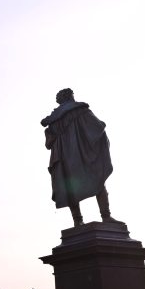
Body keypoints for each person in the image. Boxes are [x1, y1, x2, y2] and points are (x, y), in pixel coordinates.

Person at [41, 88, 118, 227]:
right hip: (82, 153)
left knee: (69, 187)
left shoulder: (52, 120)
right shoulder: (81, 110)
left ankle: (77, 220)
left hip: (64, 158)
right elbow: (97, 126)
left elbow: (48, 143)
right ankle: (106, 216)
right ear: (70, 97)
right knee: (98, 180)